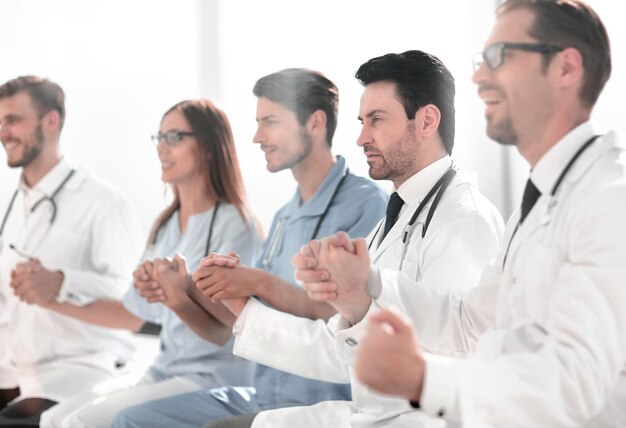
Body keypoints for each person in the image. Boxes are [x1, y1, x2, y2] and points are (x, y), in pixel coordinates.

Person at [314, 1, 625, 427]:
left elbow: (576, 383)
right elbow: (468, 324)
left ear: (565, 68)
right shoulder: (539, 205)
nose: (478, 77)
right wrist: (362, 283)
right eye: (481, 60)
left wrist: (425, 379)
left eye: (500, 56)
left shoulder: (610, 198)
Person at [202, 51, 505, 428]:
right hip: (369, 413)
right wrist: (241, 308)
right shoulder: (396, 217)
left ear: (426, 120)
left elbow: (453, 351)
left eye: (376, 120)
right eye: (362, 121)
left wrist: (360, 297)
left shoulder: (464, 219)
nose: (361, 137)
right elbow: (339, 348)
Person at [111, 68, 388, 428]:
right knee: (133, 420)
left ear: (315, 123)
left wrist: (258, 281)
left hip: (318, 404)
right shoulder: (282, 219)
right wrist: (184, 293)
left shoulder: (367, 205)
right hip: (264, 394)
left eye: (270, 121)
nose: (257, 137)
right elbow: (227, 332)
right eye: (258, 123)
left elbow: (346, 315)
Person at [37, 99, 262, 428]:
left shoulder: (236, 224)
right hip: (163, 369)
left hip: (213, 376)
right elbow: (132, 313)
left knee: (79, 423)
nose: (162, 148)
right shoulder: (165, 225)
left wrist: (181, 291)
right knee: (54, 418)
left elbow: (233, 324)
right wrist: (49, 301)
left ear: (210, 146)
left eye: (175, 137)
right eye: (159, 138)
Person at [0, 76, 142, 425]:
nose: (3, 131)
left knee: (22, 420)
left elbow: (134, 303)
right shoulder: (13, 206)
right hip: (16, 366)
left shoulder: (103, 203)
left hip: (80, 367)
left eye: (13, 120)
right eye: (1, 121)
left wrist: (62, 282)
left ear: (51, 121)